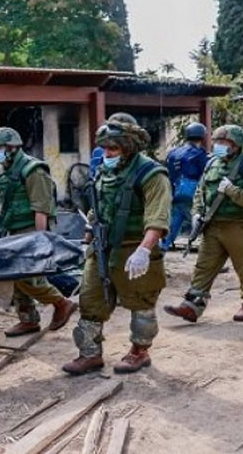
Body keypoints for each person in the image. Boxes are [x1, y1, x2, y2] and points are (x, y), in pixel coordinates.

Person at [62, 114, 170, 376]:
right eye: (104, 148)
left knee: (140, 303)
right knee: (90, 300)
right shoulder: (103, 170)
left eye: (113, 148)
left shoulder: (151, 174)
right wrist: (89, 231)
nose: (107, 153)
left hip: (134, 247)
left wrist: (144, 250)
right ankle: (90, 353)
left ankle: (139, 352)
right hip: (102, 247)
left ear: (128, 147)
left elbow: (157, 217)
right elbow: (98, 206)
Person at [164, 125, 243, 323]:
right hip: (213, 226)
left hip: (242, 227)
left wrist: (232, 191)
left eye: (224, 143)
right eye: (216, 142)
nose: (218, 146)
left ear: (236, 145)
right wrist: (196, 213)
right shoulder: (212, 163)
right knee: (204, 266)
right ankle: (192, 305)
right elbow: (200, 192)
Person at [0, 127, 77, 336]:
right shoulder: (7, 171)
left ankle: (60, 303)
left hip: (31, 228)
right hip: (13, 228)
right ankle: (28, 319)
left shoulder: (33, 170)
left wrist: (39, 241)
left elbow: (41, 207)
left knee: (27, 276)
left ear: (11, 147)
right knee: (13, 275)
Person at [160, 122, 209, 251]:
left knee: (170, 231)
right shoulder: (200, 154)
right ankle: (210, 262)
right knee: (205, 229)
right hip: (191, 195)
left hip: (174, 193)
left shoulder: (173, 153)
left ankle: (156, 259)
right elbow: (205, 176)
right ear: (203, 136)